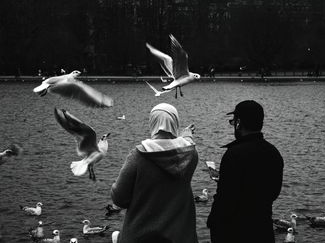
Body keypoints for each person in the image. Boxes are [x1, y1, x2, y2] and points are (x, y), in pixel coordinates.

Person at [111, 103, 198, 243]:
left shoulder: (139, 155)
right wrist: (187, 134)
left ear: (152, 122)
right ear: (175, 122)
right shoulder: (190, 154)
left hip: (140, 236)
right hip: (180, 235)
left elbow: (119, 199)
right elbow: (186, 143)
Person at [207, 100, 284, 243]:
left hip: (235, 232)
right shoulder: (273, 153)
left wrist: (213, 222)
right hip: (263, 229)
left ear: (239, 123)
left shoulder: (234, 154)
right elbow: (274, 192)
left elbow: (226, 199)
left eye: (233, 121)